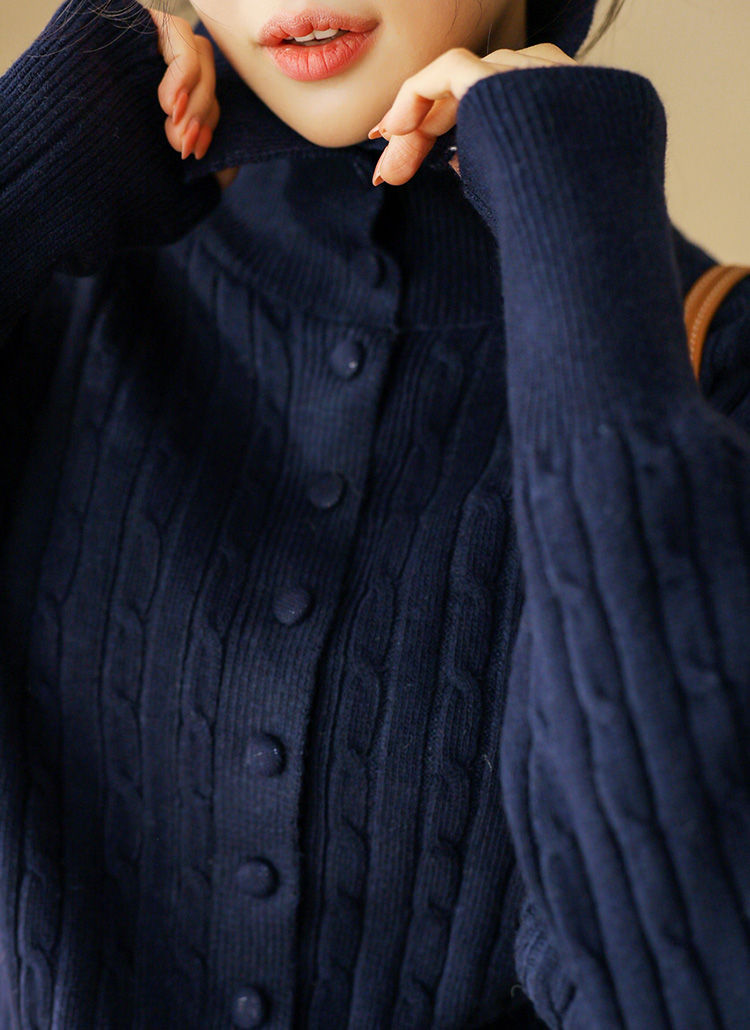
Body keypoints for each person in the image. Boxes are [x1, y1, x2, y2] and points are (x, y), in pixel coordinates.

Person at [1, 0, 749, 1027]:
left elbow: (677, 984)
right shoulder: (52, 281)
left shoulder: (714, 374)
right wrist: (26, 168)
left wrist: (581, 237)